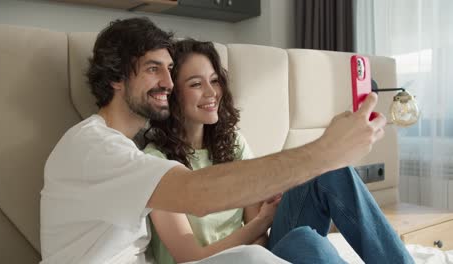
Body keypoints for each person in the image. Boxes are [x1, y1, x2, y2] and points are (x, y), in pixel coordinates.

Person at [40, 17, 395, 264]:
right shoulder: (98, 150)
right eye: (153, 69)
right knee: (297, 241)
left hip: (250, 248)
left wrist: (313, 172)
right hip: (216, 256)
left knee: (327, 182)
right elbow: (198, 196)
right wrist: (326, 150)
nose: (166, 81)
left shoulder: (131, 154)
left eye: (168, 70)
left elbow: (251, 213)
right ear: (117, 78)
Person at [143, 39, 414, 264]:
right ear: (173, 95)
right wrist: (261, 223)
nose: (211, 91)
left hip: (255, 256)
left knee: (330, 169)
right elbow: (190, 257)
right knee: (305, 241)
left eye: (214, 80)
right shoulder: (156, 163)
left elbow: (259, 238)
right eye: (195, 84)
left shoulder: (231, 143)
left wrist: (261, 224)